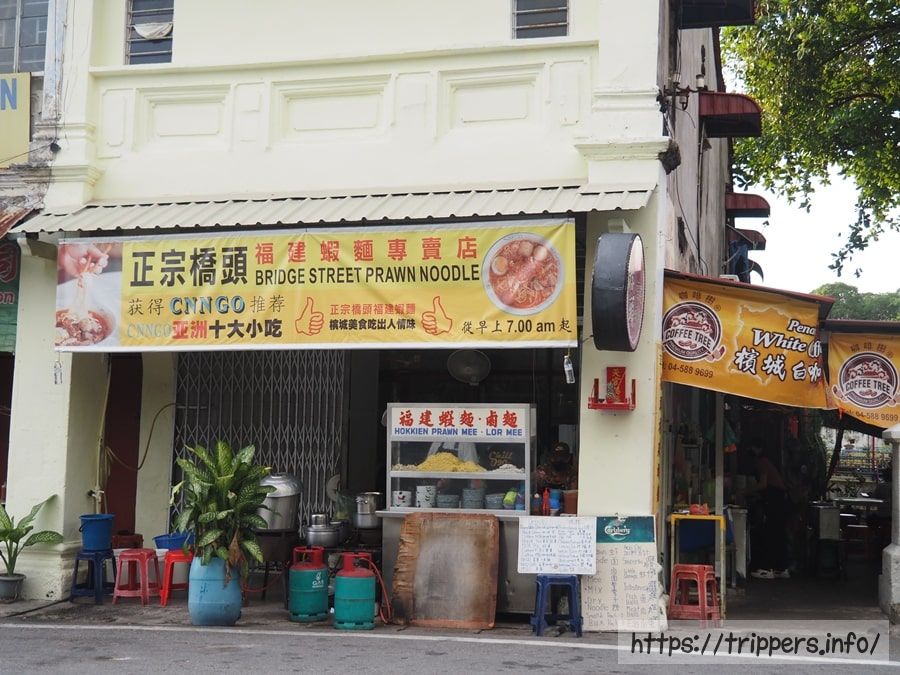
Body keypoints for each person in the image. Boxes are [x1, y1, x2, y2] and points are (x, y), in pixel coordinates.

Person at [745, 438, 789, 580]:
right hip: (779, 499)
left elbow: (763, 484)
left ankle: (766, 568)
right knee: (778, 532)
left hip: (774, 499)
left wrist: (744, 491)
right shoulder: (767, 462)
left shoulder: (761, 462)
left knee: (769, 532)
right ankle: (781, 568)